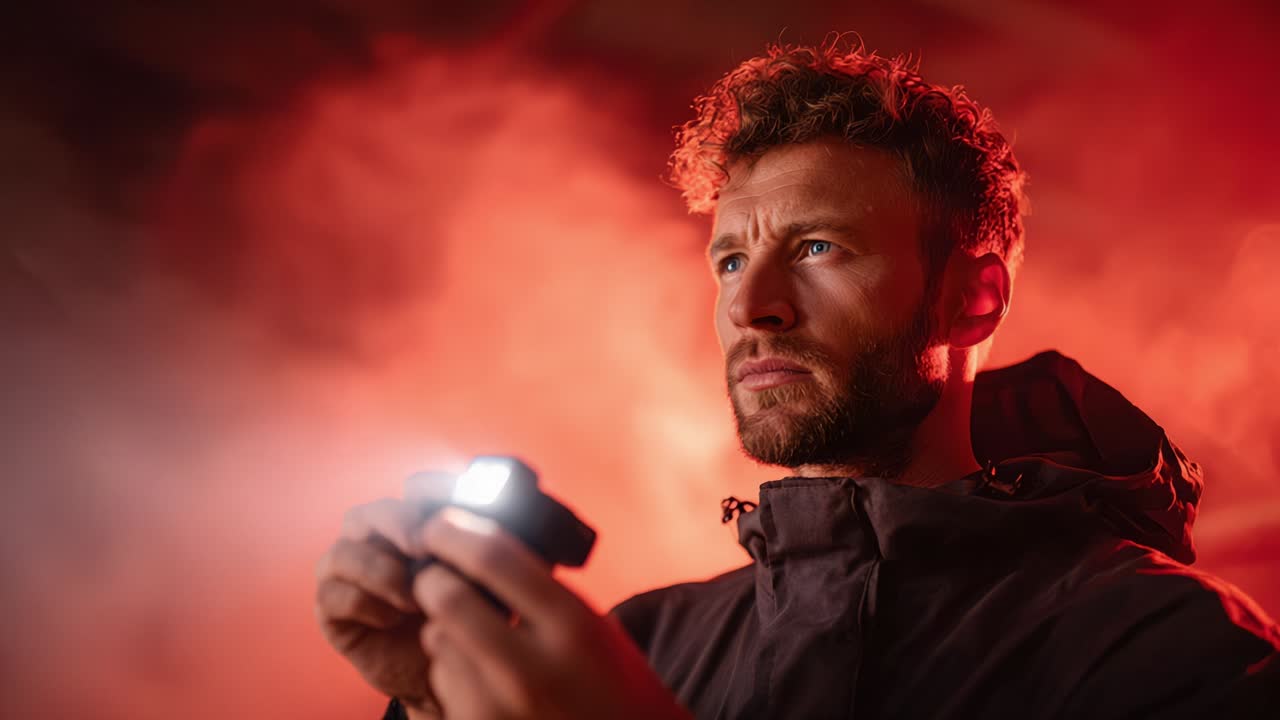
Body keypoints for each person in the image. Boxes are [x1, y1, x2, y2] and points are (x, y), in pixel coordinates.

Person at [314, 41, 1280, 719]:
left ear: (971, 301)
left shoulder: (1165, 648)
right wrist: (436, 702)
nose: (752, 305)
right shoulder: (646, 643)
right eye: (730, 261)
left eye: (817, 246)